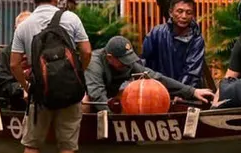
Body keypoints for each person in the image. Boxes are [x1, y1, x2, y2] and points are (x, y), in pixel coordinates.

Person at [10, 0, 92, 153]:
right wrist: (79, 73)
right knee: (67, 144)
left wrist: (27, 85)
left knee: (32, 144)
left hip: (40, 92)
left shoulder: (23, 26)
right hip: (70, 89)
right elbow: (86, 51)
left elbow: (14, 64)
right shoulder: (71, 18)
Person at [85, 35, 214, 108]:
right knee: (86, 101)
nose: (128, 64)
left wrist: (192, 91)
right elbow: (97, 95)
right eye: (123, 61)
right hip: (88, 98)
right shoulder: (94, 63)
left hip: (110, 98)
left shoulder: (129, 64)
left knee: (130, 92)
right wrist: (113, 119)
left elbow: (156, 78)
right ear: (110, 58)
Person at [141, 0, 206, 88]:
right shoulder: (156, 33)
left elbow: (192, 72)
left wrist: (182, 92)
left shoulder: (197, 40)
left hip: (186, 92)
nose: (184, 16)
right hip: (157, 89)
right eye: (180, 11)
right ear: (171, 13)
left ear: (193, 15)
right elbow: (145, 62)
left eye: (188, 12)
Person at [0, 11, 31, 110]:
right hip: (12, 104)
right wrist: (23, 88)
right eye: (22, 29)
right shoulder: (5, 54)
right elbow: (2, 84)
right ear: (15, 30)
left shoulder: (40, 51)